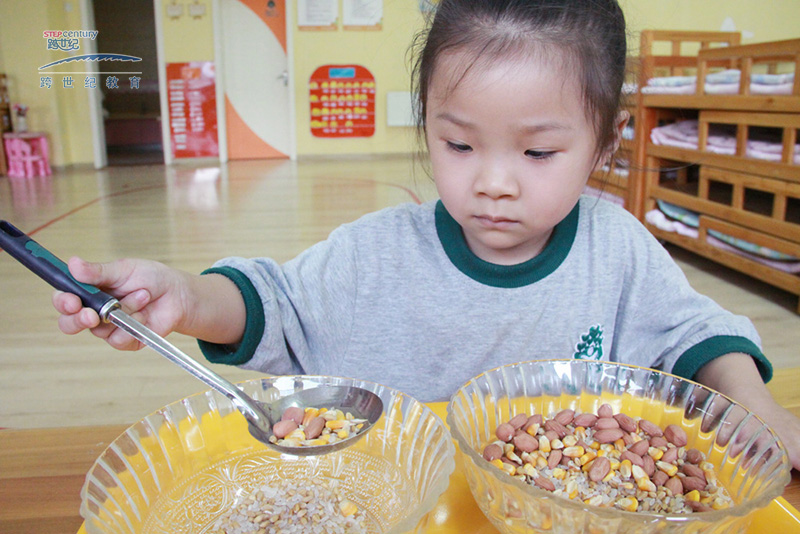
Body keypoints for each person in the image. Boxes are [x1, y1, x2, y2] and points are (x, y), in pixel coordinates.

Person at [53, 0, 799, 470]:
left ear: (607, 144)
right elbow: (271, 303)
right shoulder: (375, 254)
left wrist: (752, 403)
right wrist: (185, 297)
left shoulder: (619, 249)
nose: (494, 182)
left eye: (538, 152)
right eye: (460, 145)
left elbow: (699, 333)